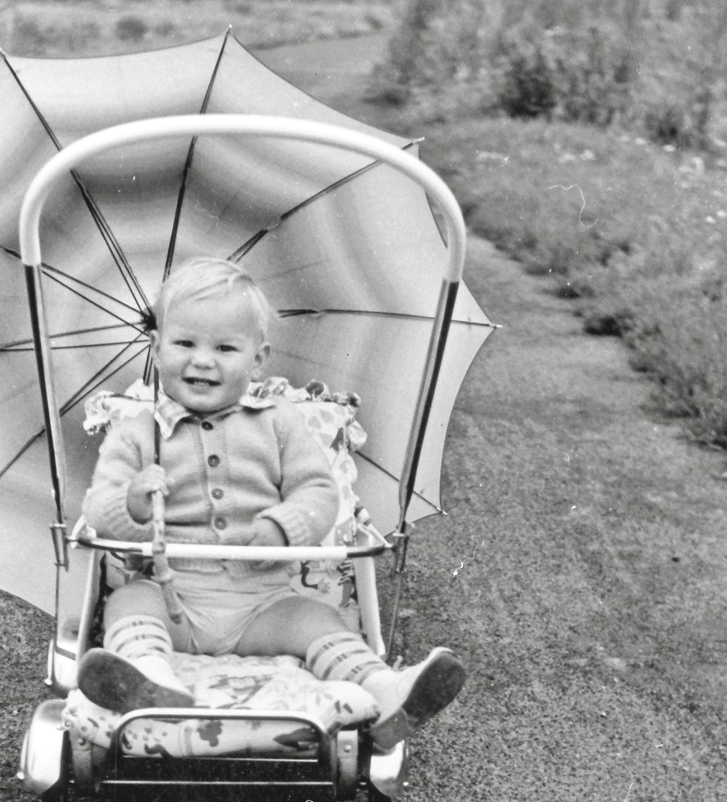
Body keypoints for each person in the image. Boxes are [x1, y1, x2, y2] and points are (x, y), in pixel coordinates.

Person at [78, 256, 464, 749]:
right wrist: (132, 502)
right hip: (175, 599)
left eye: (224, 348)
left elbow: (318, 491)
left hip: (262, 603)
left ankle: (385, 690)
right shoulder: (137, 432)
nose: (202, 360)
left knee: (317, 620)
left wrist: (283, 526)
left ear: (258, 359)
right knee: (128, 603)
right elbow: (98, 507)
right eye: (185, 343)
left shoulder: (279, 422)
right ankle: (150, 680)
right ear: (156, 348)